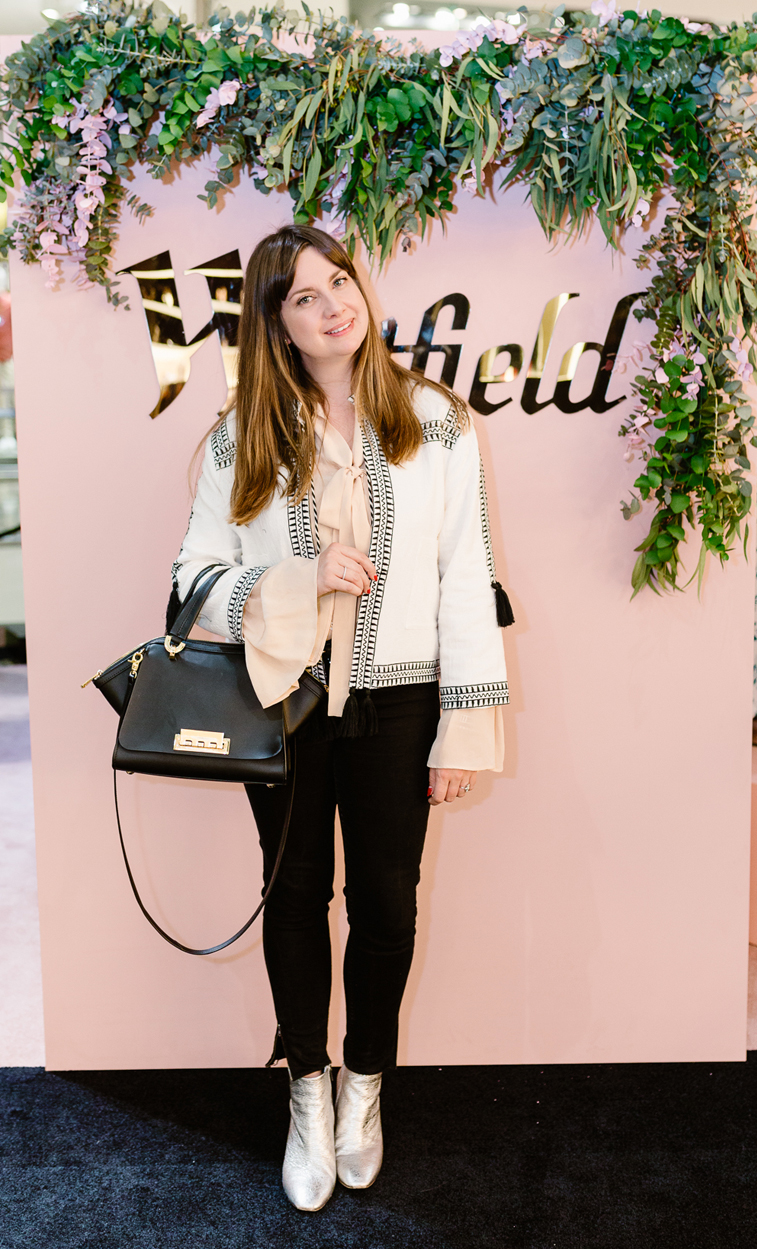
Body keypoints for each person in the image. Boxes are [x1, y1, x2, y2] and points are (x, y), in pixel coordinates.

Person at [171, 224, 511, 1211]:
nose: (334, 305)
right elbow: (189, 587)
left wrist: (465, 726)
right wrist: (293, 576)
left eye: (339, 281)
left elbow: (465, 579)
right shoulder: (241, 437)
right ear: (273, 324)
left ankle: (365, 1082)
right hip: (281, 707)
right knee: (292, 900)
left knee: (387, 908)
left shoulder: (436, 421)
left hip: (402, 700)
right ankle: (306, 1090)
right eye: (304, 296)